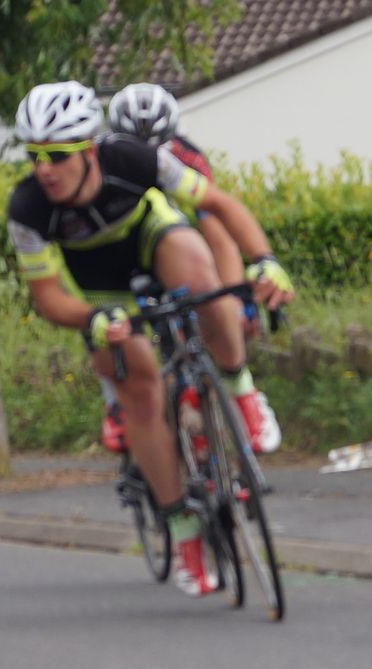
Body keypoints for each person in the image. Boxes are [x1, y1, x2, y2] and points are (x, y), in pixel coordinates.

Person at [7, 81, 294, 596]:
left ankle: (241, 390)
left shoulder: (134, 160)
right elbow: (47, 296)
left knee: (205, 282)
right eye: (35, 155)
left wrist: (266, 262)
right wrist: (91, 322)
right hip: (104, 293)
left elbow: (220, 208)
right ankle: (183, 530)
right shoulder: (28, 208)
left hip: (155, 244)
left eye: (57, 154)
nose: (44, 167)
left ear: (89, 149)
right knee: (138, 390)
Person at [100, 82, 281, 456]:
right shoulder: (101, 166)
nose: (146, 157)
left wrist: (235, 299)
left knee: (214, 310)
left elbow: (218, 236)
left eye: (157, 147)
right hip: (124, 254)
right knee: (107, 325)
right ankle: (117, 405)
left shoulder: (185, 158)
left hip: (177, 247)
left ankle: (233, 396)